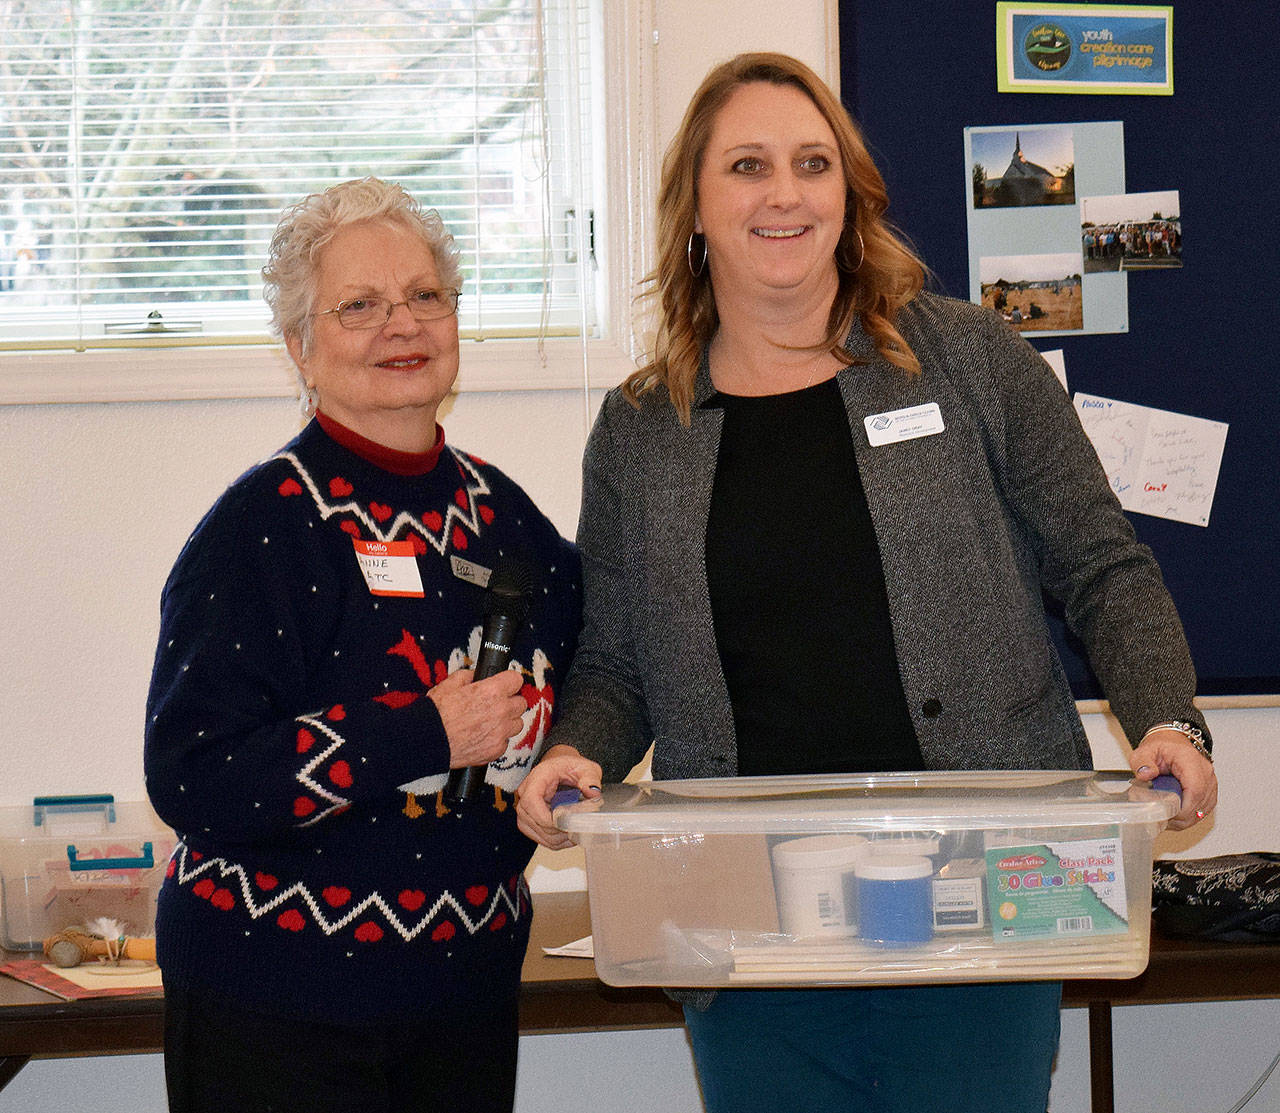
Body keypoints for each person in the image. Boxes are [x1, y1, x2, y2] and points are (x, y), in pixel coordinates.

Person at [515, 53, 1216, 1113]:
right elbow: (617, 660)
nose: (785, 193)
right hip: (747, 922)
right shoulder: (639, 429)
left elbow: (1101, 564)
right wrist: (578, 751)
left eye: (813, 164)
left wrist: (1166, 716)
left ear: (849, 195)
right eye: (747, 166)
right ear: (695, 207)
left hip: (982, 899)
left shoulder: (968, 357)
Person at [145, 177, 581, 1113]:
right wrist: (422, 733)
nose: (403, 324)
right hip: (277, 1005)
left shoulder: (506, 516)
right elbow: (192, 775)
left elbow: (605, 665)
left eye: (426, 295)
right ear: (300, 347)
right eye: (360, 305)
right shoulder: (260, 527)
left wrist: (575, 754)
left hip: (464, 998)